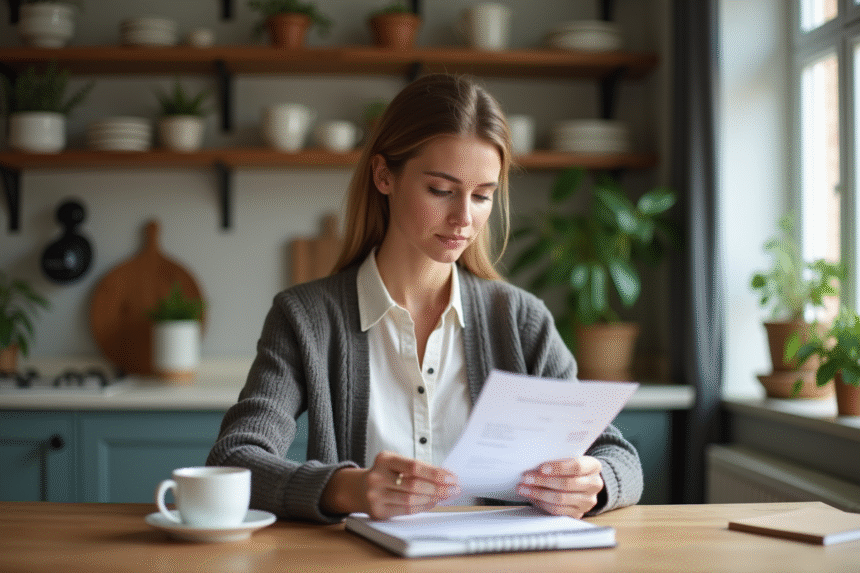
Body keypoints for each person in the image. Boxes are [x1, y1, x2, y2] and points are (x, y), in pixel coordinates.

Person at [206, 73, 642, 523]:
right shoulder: (305, 318)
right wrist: (346, 489)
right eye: (441, 190)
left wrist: (595, 481)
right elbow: (234, 459)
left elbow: (618, 456)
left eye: (482, 196)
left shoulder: (520, 319)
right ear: (383, 175)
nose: (463, 219)